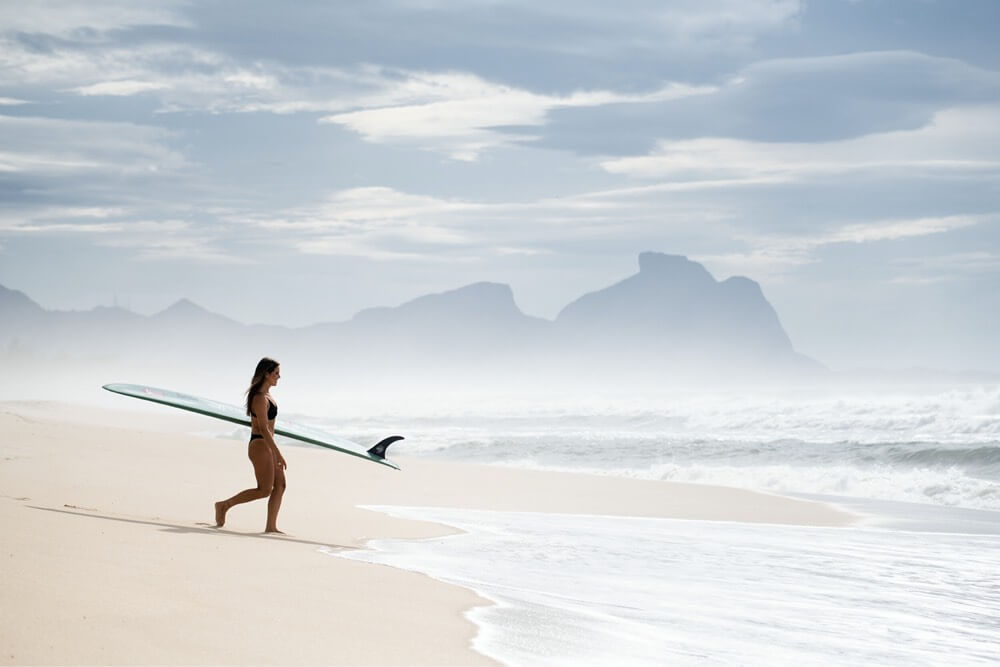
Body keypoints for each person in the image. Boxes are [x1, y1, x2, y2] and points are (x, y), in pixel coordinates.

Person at [215, 357, 287, 533]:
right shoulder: (259, 398)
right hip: (260, 446)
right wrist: (277, 453)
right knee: (264, 490)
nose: (279, 376)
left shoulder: (268, 396)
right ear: (266, 374)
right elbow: (263, 428)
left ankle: (271, 527)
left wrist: (275, 450)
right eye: (276, 373)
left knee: (280, 486)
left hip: (268, 446)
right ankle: (224, 505)